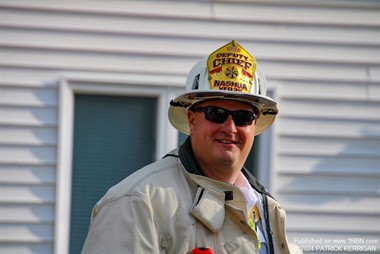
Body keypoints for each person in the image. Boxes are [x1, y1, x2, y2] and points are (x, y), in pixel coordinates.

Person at [81, 40, 302, 254]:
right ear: (192, 120)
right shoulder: (137, 203)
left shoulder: (265, 210)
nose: (230, 127)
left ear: (254, 126)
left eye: (243, 116)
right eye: (216, 113)